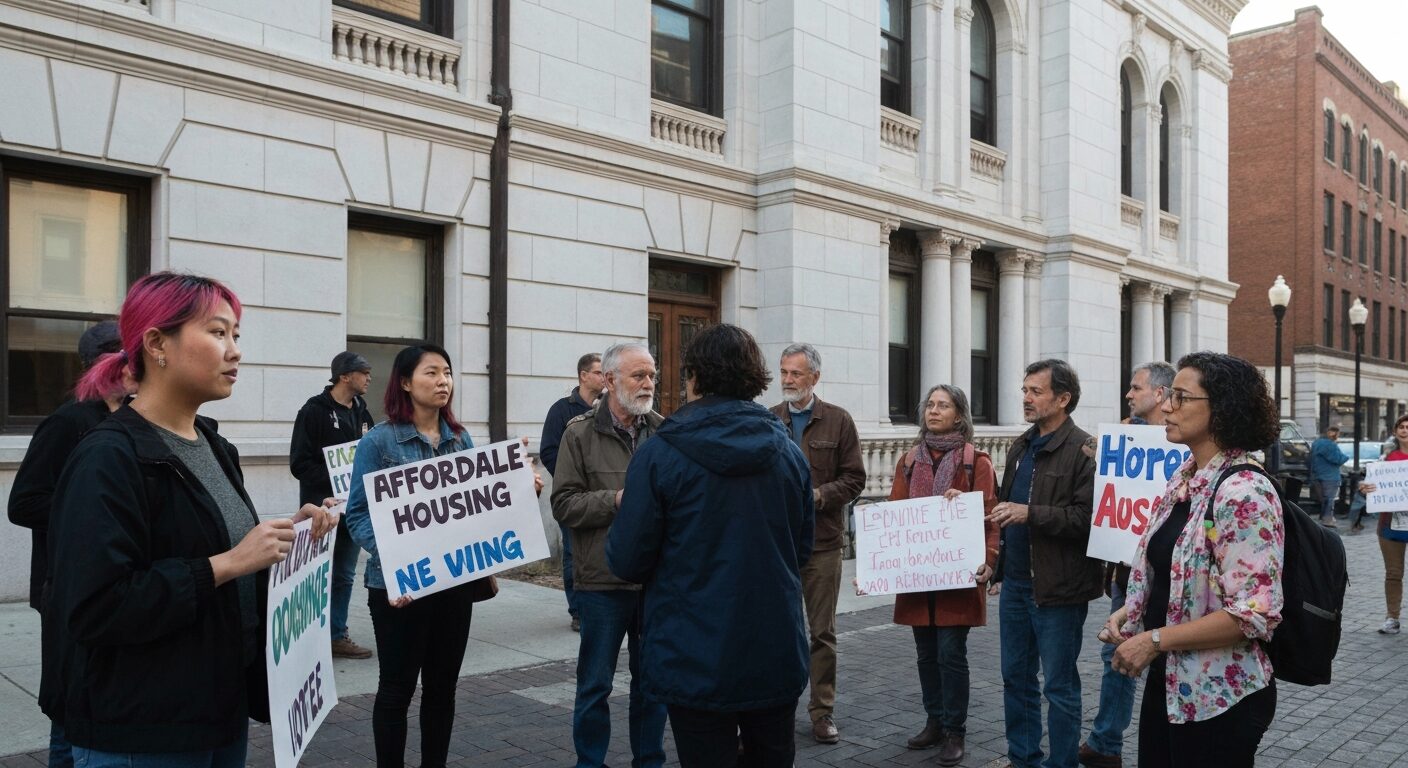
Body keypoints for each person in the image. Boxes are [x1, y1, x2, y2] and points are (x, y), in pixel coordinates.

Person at [44, 272, 335, 768]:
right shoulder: (107, 457)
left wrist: (290, 533)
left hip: (217, 709)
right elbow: (96, 606)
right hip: (143, 731)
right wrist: (226, 563)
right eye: (218, 333)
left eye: (236, 335)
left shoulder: (214, 445)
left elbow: (213, 544)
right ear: (158, 344)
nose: (236, 350)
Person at [607, 324, 814, 768]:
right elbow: (800, 549)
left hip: (693, 650)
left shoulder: (659, 454)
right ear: (754, 377)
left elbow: (626, 558)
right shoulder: (789, 453)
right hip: (771, 645)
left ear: (694, 377)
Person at [343, 343, 533, 768]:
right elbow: (357, 513)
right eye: (431, 373)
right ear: (406, 383)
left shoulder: (461, 439)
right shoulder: (379, 442)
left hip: (452, 585)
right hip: (398, 588)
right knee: (396, 689)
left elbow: (477, 508)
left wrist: (518, 490)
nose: (442, 380)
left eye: (446, 372)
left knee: (442, 689)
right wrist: (399, 558)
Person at [1103, 351, 1284, 768]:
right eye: (1169, 396)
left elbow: (1254, 614)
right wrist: (1130, 616)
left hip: (1219, 696)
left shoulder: (1244, 492)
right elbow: (1169, 574)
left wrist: (1153, 640)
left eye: (1181, 398)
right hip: (1169, 682)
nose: (1166, 407)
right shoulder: (1184, 480)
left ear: (1221, 409)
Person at [9, 321, 127, 768]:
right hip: (65, 585)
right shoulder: (68, 421)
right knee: (70, 698)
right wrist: (88, 505)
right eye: (120, 354)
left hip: (111, 584)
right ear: (98, 363)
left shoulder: (133, 417)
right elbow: (23, 504)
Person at [551, 342, 666, 768]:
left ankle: (649, 761)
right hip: (601, 582)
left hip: (654, 582)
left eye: (652, 375)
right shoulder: (578, 433)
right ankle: (590, 763)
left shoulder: (663, 430)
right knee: (595, 685)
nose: (648, 383)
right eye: (639, 375)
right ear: (610, 379)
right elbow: (563, 504)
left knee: (652, 683)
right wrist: (617, 500)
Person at [991, 359, 1101, 768]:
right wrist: (995, 565)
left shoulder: (1084, 450)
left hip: (1059, 590)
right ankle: (1023, 759)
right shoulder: (1020, 446)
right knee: (1015, 680)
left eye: (1035, 391)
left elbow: (1088, 520)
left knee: (1058, 687)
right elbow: (1006, 509)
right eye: (1024, 390)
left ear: (1063, 398)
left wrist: (1030, 513)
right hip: (1017, 586)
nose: (1026, 398)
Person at [888, 384, 998, 766]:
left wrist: (989, 558)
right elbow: (893, 518)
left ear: (959, 414)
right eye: (930, 405)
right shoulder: (908, 461)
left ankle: (955, 731)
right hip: (919, 580)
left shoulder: (976, 462)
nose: (934, 411)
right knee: (925, 654)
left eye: (943, 405)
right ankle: (933, 720)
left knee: (951, 654)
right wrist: (875, 569)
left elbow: (989, 519)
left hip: (957, 578)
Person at [767, 342, 865, 744]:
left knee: (821, 632)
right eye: (784, 372)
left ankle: (821, 711)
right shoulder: (768, 420)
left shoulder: (838, 421)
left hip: (822, 544)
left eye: (796, 373)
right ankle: (773, 708)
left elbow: (855, 479)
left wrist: (819, 496)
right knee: (774, 629)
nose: (788, 380)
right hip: (775, 545)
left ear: (815, 378)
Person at [1080, 361, 1173, 768]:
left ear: (1159, 394)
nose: (1129, 395)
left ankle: (1160, 744)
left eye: (1136, 388)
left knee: (1164, 656)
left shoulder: (1184, 442)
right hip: (1127, 570)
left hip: (1171, 573)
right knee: (1115, 654)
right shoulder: (1125, 439)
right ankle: (1106, 743)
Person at [288, 351, 376, 659]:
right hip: (320, 511)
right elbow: (299, 463)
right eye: (364, 372)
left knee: (344, 574)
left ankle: (336, 635)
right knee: (314, 574)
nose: (369, 378)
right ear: (345, 376)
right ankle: (305, 637)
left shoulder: (363, 412)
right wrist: (333, 481)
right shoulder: (313, 411)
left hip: (351, 510)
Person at [540, 352, 604, 632]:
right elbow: (548, 451)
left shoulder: (609, 407)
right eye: (600, 372)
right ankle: (578, 611)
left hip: (604, 496)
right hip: (573, 495)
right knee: (572, 554)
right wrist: (571, 478)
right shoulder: (562, 410)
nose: (605, 377)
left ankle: (599, 606)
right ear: (583, 375)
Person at [1357, 413, 1408, 635]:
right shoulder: (1386, 459)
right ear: (1396, 432)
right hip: (1390, 525)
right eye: (1402, 427)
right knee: (1393, 573)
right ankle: (1392, 618)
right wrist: (1365, 488)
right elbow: (1370, 484)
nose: (1405, 430)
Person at [1308, 423, 1349, 528]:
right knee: (1330, 498)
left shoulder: (1316, 443)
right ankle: (1327, 519)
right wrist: (1345, 457)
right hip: (1330, 476)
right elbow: (1338, 459)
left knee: (1324, 498)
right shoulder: (1330, 445)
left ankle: (1323, 516)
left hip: (1317, 474)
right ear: (1334, 434)